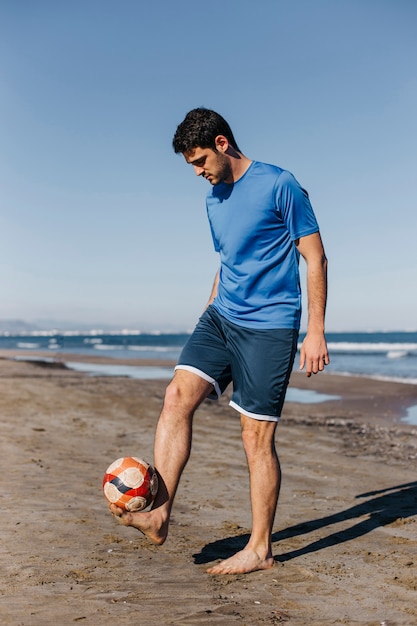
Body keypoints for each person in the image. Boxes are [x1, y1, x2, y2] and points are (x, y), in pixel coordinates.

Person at [109, 108, 329, 575]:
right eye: (191, 164)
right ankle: (159, 512)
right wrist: (209, 308)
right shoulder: (213, 199)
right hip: (221, 318)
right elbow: (229, 259)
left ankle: (260, 549)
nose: (197, 172)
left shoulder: (279, 185)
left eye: (200, 160)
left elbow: (315, 257)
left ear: (223, 144)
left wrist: (315, 331)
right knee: (175, 398)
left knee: (255, 438)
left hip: (270, 327)